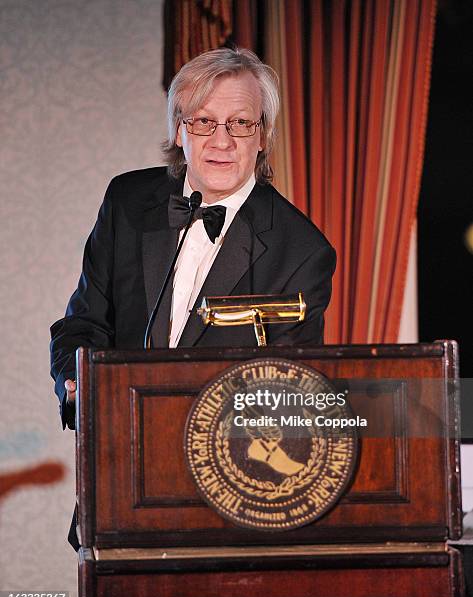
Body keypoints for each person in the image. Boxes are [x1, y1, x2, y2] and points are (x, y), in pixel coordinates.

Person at [50, 47, 336, 433]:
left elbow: (288, 394)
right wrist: (75, 384)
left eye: (240, 123)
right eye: (204, 121)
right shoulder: (127, 201)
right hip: (117, 455)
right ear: (179, 130)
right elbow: (84, 322)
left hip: (226, 474)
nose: (222, 141)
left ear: (263, 135)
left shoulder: (301, 252)